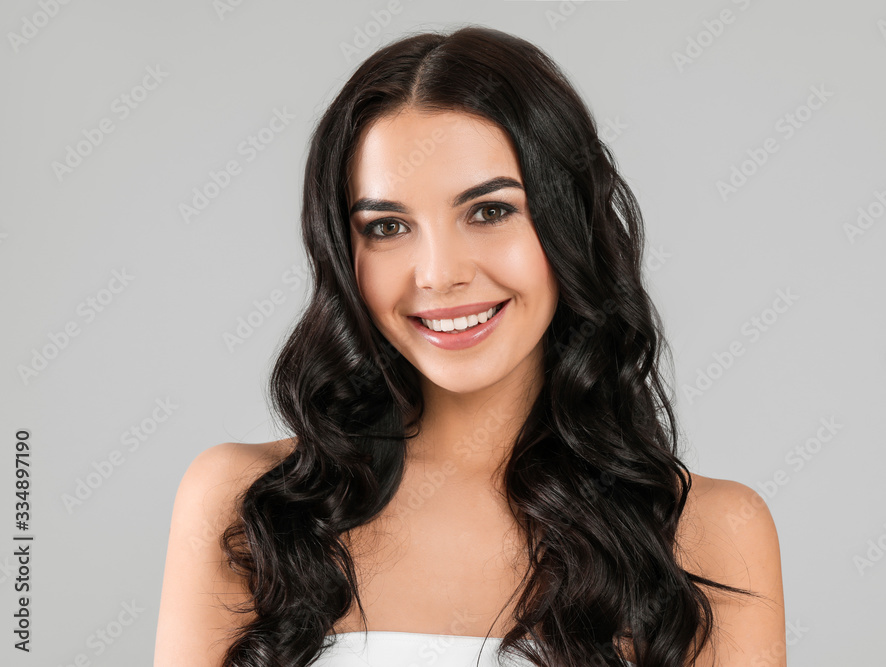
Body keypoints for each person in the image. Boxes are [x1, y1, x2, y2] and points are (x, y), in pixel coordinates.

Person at [153, 25, 785, 667]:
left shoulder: (713, 532)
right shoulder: (248, 507)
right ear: (346, 255)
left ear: (569, 222)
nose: (438, 273)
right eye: (389, 226)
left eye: (489, 212)